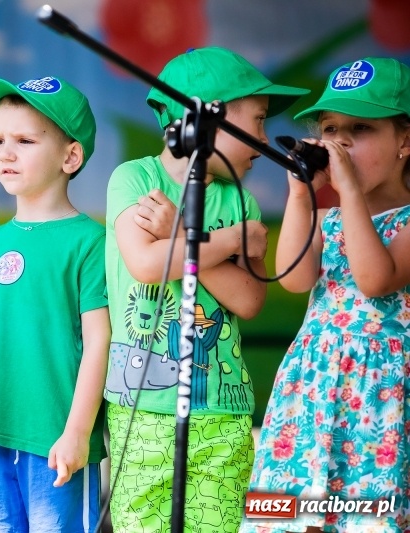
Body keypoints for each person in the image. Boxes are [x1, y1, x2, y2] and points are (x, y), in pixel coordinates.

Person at [103, 46, 309, 532]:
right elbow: (148, 263)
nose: (262, 140)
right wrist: (229, 240)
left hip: (223, 407)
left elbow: (248, 299)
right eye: (257, 121)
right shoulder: (135, 179)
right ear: (207, 118)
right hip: (143, 406)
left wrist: (184, 234)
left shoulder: (239, 198)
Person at [243, 57, 410, 533]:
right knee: (288, 516)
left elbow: (375, 278)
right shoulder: (329, 218)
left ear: (405, 140)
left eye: (360, 128)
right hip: (312, 389)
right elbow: (294, 277)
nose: (339, 141)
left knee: (365, 516)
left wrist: (349, 192)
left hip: (377, 396)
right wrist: (302, 195)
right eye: (330, 128)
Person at [0, 75, 110, 532]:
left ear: (70, 156)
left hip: (57, 441)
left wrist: (76, 433)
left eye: (25, 140)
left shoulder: (91, 241)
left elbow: (99, 342)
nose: (6, 153)